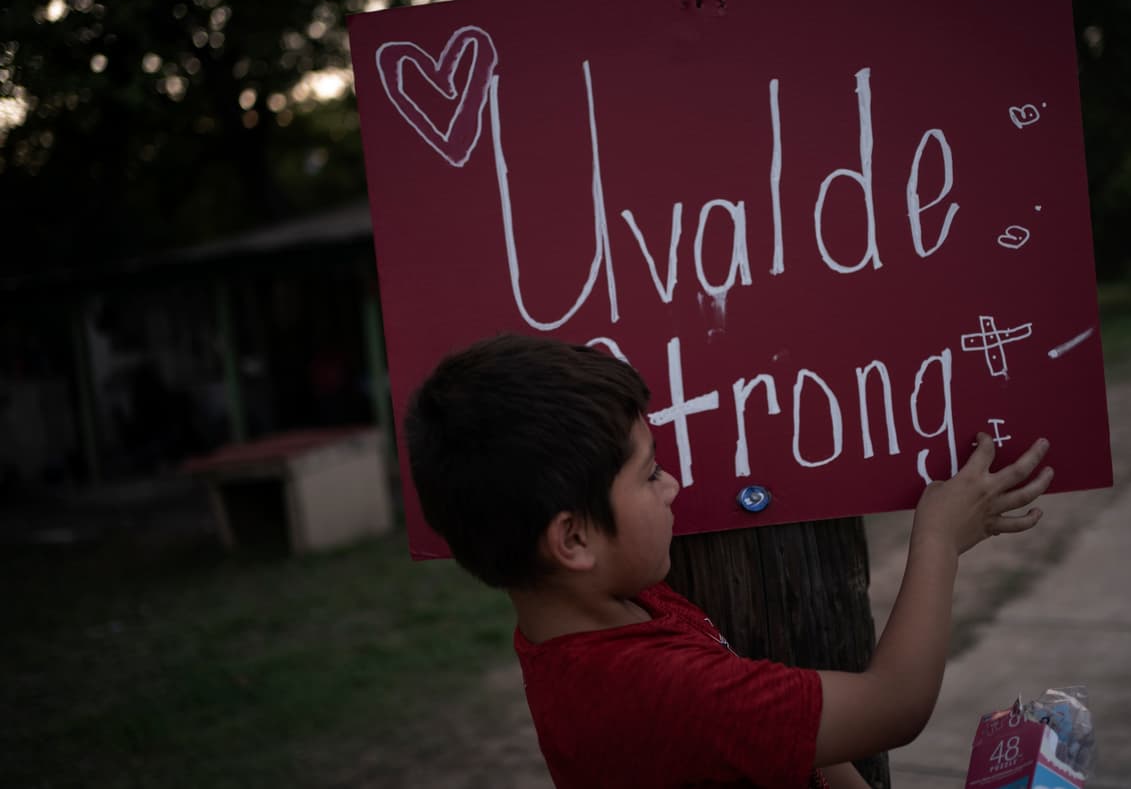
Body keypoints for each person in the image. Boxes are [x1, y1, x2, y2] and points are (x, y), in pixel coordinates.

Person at [404, 333, 1052, 789]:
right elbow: (896, 705)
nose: (673, 485)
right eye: (648, 473)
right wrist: (939, 540)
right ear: (573, 540)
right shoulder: (657, 694)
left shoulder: (616, 608)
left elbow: (792, 746)